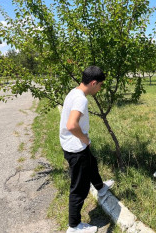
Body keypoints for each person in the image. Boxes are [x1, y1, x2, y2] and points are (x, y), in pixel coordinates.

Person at [60, 66, 114, 233]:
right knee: (79, 188)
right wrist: (84, 138)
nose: (100, 88)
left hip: (74, 145)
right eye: (100, 85)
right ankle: (74, 226)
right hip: (76, 148)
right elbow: (71, 125)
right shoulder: (81, 99)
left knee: (92, 164)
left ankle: (101, 187)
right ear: (93, 83)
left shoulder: (74, 92)